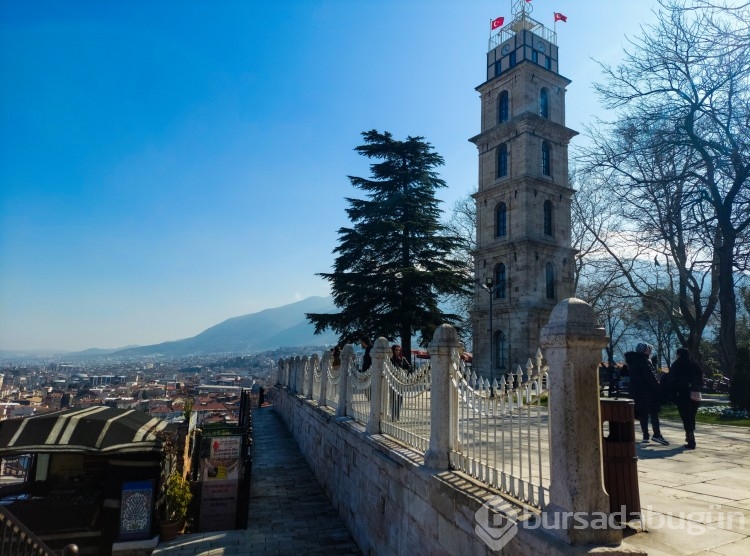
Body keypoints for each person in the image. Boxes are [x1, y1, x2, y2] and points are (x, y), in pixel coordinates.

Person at [625, 342, 669, 445]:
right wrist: (658, 388)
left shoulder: (632, 361)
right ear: (645, 350)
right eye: (649, 349)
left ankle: (645, 436)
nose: (650, 351)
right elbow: (650, 376)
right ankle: (657, 435)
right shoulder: (644, 361)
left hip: (637, 392)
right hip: (648, 391)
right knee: (653, 412)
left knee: (643, 414)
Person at [669, 348, 703, 450]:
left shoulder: (676, 365)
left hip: (682, 393)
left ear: (678, 354)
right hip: (695, 393)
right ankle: (690, 436)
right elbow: (701, 379)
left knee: (685, 417)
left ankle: (690, 438)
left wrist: (672, 395)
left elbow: (672, 380)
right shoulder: (694, 364)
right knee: (691, 416)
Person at [389, 344, 411, 420]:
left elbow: (408, 367)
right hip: (393, 380)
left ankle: (397, 415)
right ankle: (393, 415)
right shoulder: (390, 359)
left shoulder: (403, 359)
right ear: (393, 350)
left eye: (399, 350)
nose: (397, 351)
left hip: (401, 380)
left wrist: (405, 372)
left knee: (400, 398)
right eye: (396, 350)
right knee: (393, 398)